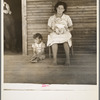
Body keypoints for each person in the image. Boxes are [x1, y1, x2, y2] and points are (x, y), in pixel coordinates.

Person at [47, 1, 73, 65]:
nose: (60, 9)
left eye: (62, 8)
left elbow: (71, 27)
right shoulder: (51, 18)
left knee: (66, 41)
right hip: (55, 32)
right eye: (58, 8)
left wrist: (66, 30)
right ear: (56, 8)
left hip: (64, 32)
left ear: (64, 9)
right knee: (54, 41)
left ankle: (67, 59)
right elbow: (48, 29)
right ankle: (54, 60)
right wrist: (54, 31)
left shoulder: (67, 17)